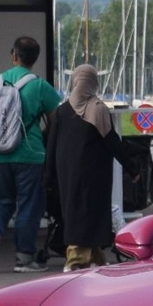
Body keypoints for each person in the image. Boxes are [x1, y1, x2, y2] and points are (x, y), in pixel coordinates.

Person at [0, 36, 59, 272]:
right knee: (29, 205)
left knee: (3, 201)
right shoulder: (40, 86)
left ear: (14, 54)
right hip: (30, 155)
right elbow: (56, 120)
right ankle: (24, 258)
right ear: (35, 59)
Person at [45, 64, 119, 269]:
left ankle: (95, 256)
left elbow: (52, 144)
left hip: (66, 174)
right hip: (94, 175)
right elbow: (112, 142)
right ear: (94, 82)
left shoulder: (62, 110)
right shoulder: (98, 109)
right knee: (90, 214)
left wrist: (48, 175)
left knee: (75, 213)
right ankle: (75, 261)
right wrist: (133, 167)